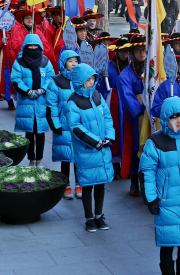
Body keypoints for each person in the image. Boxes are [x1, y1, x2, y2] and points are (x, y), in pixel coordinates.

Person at [139, 97, 180, 275]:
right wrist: (151, 199)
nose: (179, 120)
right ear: (165, 118)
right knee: (167, 244)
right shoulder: (155, 142)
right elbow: (147, 172)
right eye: (174, 116)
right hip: (166, 203)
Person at [66, 63, 115, 233]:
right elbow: (76, 127)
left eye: (93, 78)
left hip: (101, 149)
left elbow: (107, 117)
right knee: (87, 185)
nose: (91, 82)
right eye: (88, 79)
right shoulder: (73, 102)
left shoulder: (97, 96)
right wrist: (95, 142)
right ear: (79, 81)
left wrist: (109, 136)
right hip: (87, 151)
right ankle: (89, 218)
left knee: (100, 184)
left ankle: (99, 215)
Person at [10, 34, 55, 167]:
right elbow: (16, 80)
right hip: (26, 102)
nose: (33, 48)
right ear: (25, 46)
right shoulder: (19, 62)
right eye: (31, 46)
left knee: (40, 132)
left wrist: (42, 90)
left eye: (36, 46)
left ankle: (39, 159)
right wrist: (28, 91)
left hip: (42, 102)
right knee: (29, 132)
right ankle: (31, 159)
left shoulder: (45, 62)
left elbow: (50, 78)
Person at [46, 50, 82, 200]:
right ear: (64, 63)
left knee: (79, 156)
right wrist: (55, 124)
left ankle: (79, 184)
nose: (73, 64)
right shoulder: (56, 81)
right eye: (70, 61)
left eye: (76, 61)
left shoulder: (81, 78)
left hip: (80, 126)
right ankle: (66, 184)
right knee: (66, 157)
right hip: (64, 124)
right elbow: (51, 104)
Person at [117, 34, 148, 195]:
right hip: (136, 115)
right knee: (136, 146)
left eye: (144, 50)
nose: (142, 53)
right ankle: (135, 180)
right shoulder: (125, 75)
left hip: (151, 112)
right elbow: (127, 96)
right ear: (132, 53)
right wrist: (140, 110)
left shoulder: (152, 68)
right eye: (138, 50)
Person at [107, 38, 130, 179]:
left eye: (126, 51)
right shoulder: (109, 65)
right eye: (121, 51)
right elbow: (103, 86)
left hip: (127, 99)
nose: (124, 54)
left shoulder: (131, 65)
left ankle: (126, 164)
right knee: (115, 130)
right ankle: (115, 164)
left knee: (126, 131)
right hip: (114, 101)